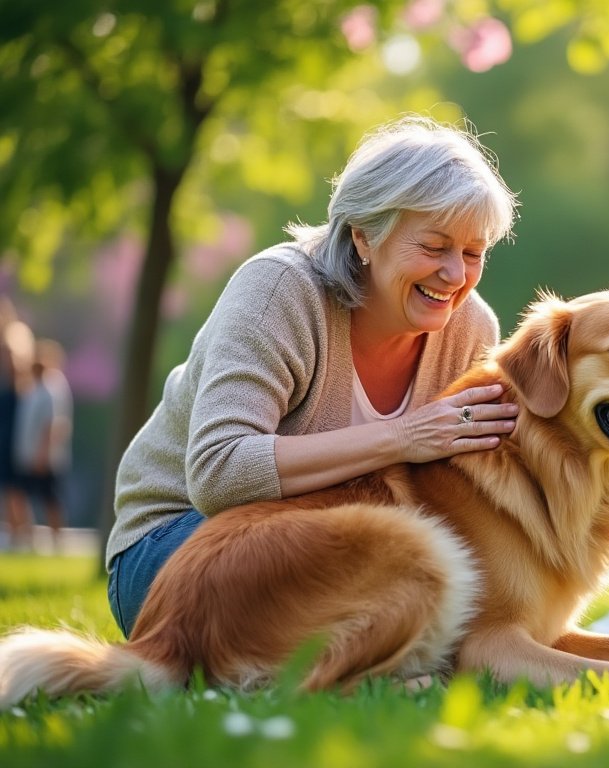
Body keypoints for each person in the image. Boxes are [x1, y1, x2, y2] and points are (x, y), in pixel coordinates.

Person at [107, 116, 520, 638]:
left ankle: (377, 651)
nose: (455, 275)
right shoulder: (281, 290)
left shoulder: (470, 326)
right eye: (434, 247)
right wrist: (403, 437)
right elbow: (218, 471)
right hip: (177, 548)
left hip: (334, 550)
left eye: (473, 253)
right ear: (363, 236)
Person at [14, 339, 73, 552]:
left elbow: (52, 423)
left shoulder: (51, 387)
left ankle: (58, 541)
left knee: (50, 498)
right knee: (29, 495)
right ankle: (28, 539)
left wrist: (42, 453)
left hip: (45, 457)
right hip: (29, 454)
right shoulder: (35, 386)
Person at [0, 310, 35, 552]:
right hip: (7, 416)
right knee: (8, 487)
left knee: (14, 487)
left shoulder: (16, 337)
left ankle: (25, 535)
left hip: (14, 422)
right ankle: (15, 535)